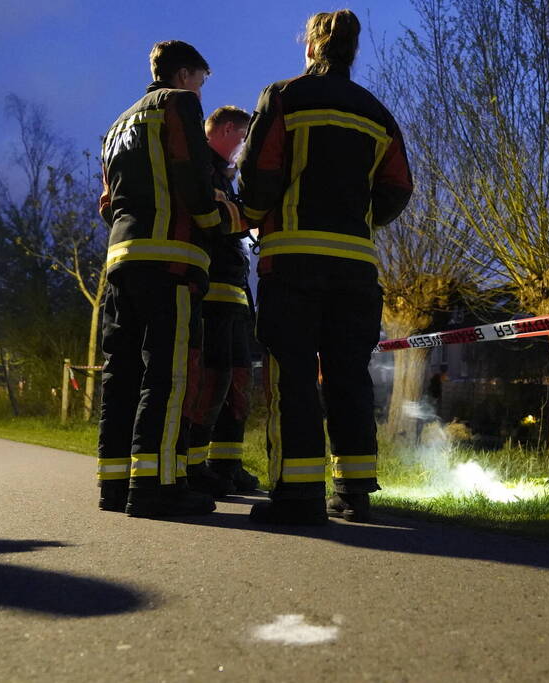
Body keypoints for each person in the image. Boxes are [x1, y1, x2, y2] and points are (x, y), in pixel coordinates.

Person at [237, 9, 413, 524]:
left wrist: (249, 218)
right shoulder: (378, 113)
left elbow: (259, 171)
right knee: (347, 374)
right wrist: (359, 221)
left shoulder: (284, 95)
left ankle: (298, 496)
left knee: (291, 373)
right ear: (351, 52)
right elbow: (399, 186)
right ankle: (355, 491)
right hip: (355, 265)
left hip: (292, 259)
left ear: (311, 47)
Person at [96, 41, 247, 518]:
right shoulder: (177, 104)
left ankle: (114, 484)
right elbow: (191, 174)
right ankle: (155, 486)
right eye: (202, 80)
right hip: (173, 260)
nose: (202, 89)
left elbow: (107, 202)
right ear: (185, 75)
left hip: (122, 257)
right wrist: (220, 218)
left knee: (121, 372)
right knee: (168, 372)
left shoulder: (117, 125)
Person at [186, 105, 261, 495]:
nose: (244, 146)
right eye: (243, 137)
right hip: (213, 295)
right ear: (227, 129)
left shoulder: (223, 177)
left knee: (237, 382)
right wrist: (249, 214)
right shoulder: (203, 170)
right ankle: (195, 466)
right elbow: (217, 224)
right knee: (211, 381)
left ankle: (226, 465)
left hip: (234, 296)